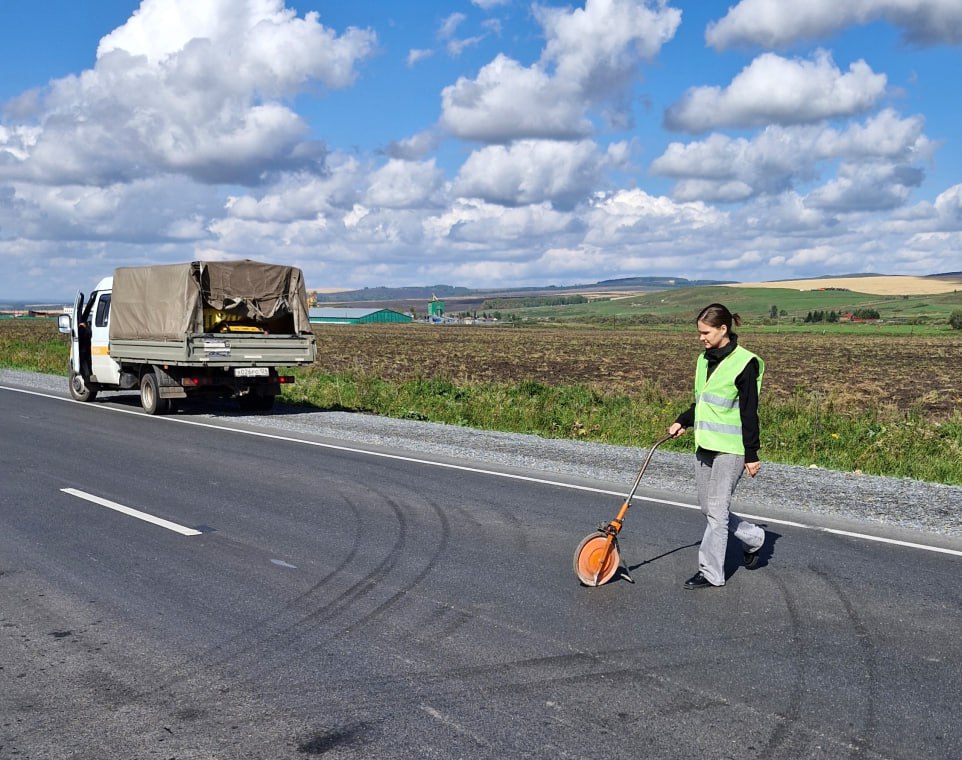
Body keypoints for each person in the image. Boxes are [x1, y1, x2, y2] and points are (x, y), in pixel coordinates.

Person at [668, 303, 766, 589]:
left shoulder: (745, 363)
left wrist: (752, 453)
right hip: (705, 445)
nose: (701, 337)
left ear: (723, 329)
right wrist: (682, 421)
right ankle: (754, 538)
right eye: (699, 333)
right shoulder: (703, 360)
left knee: (718, 510)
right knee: (708, 509)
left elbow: (749, 412)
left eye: (705, 332)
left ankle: (711, 572)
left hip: (732, 449)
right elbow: (703, 403)